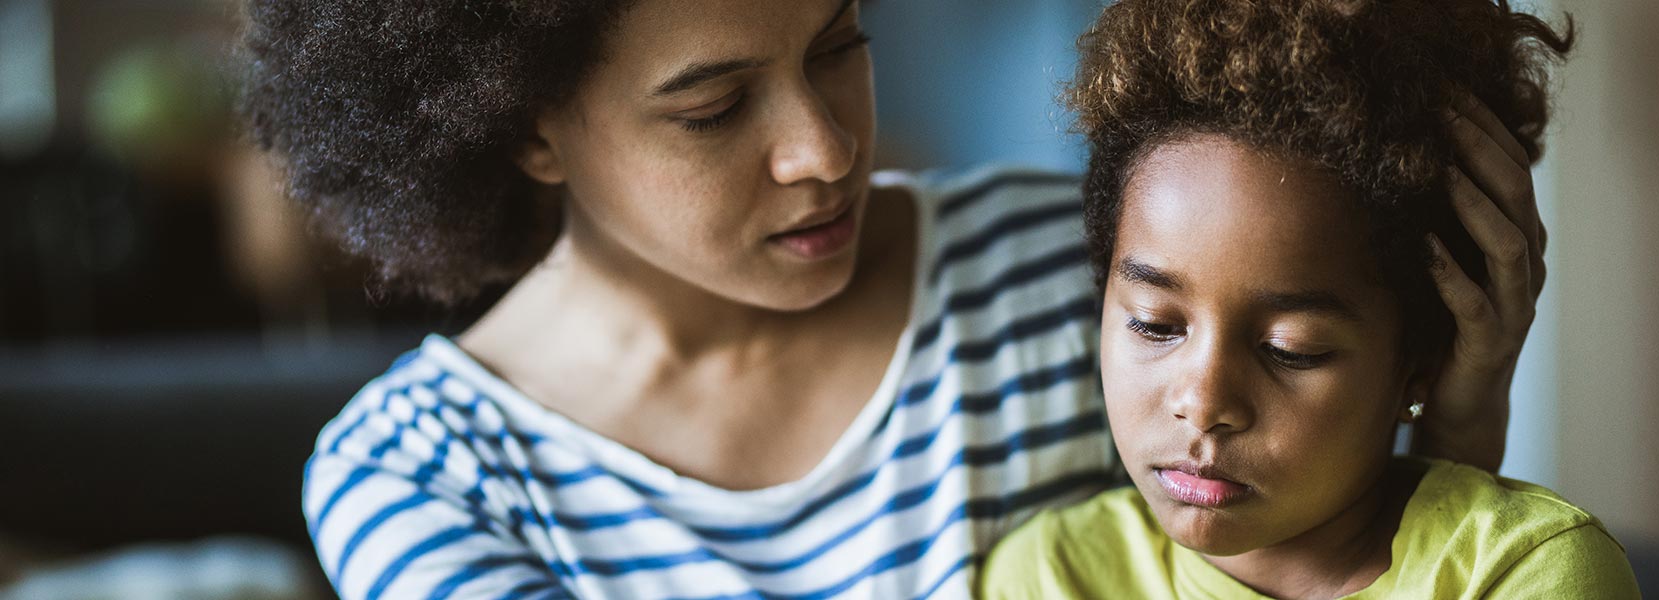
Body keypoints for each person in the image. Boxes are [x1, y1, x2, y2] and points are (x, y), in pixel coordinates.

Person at [239, 0, 1552, 597]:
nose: (824, 145)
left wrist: (1448, 421)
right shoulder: (421, 479)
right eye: (711, 107)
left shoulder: (1077, 284)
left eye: (836, 50)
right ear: (524, 129)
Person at [980, 0, 1639, 598]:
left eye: (1290, 349)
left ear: (1422, 352)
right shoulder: (1047, 576)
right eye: (1155, 326)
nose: (1205, 404)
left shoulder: (1525, 574)